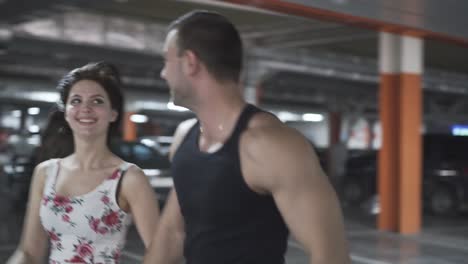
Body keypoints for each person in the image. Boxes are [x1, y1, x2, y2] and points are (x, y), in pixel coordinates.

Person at [143, 10, 350, 264]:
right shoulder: (184, 138)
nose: (163, 73)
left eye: (167, 60)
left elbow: (331, 255)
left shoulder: (270, 145)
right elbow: (172, 233)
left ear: (189, 62)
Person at [7, 62, 160, 264]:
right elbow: (28, 252)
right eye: (76, 101)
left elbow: (162, 253)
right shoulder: (46, 173)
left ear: (113, 114)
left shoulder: (129, 178)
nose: (85, 108)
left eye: (97, 101)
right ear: (66, 113)